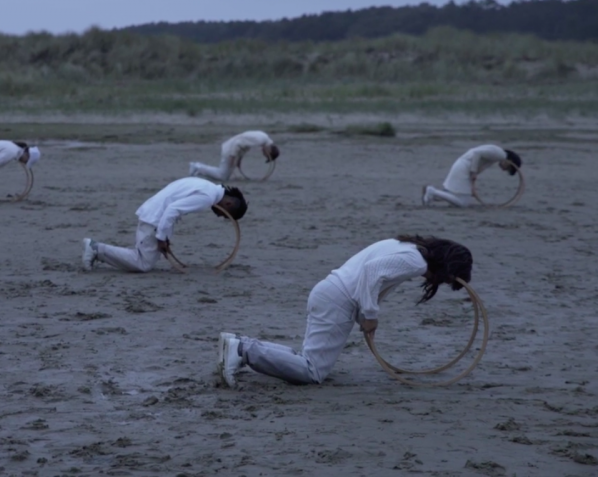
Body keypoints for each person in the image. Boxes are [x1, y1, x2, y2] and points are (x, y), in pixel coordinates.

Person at [217, 235, 473, 387]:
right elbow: (370, 273)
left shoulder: (404, 246)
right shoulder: (415, 261)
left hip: (331, 293)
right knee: (312, 371)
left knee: (309, 361)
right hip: (337, 300)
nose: (437, 283)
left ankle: (240, 345)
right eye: (446, 280)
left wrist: (365, 314)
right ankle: (244, 350)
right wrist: (370, 315)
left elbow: (372, 279)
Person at [82, 177, 248, 273]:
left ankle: (98, 250)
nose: (220, 216)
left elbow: (173, 203)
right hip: (154, 218)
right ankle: (96, 248)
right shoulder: (208, 197)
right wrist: (161, 238)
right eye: (225, 216)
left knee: (147, 260)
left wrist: (165, 236)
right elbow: (172, 209)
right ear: (229, 206)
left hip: (155, 214)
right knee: (143, 264)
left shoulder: (208, 185)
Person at [422, 145, 522, 207]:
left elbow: (478, 161)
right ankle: (432, 191)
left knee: (457, 197)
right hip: (464, 167)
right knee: (462, 203)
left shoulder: (497, 154)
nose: (504, 170)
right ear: (510, 161)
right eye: (508, 168)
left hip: (463, 166)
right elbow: (477, 153)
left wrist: (471, 186)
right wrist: (473, 173)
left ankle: (432, 196)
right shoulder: (500, 154)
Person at [189, 130, 280, 182]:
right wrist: (232, 157)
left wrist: (239, 159)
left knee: (224, 176)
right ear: (269, 151)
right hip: (230, 149)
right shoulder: (260, 140)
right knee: (222, 175)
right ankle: (197, 167)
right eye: (265, 155)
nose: (263, 154)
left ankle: (199, 172)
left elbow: (244, 146)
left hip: (233, 149)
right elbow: (238, 143)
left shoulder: (263, 138)